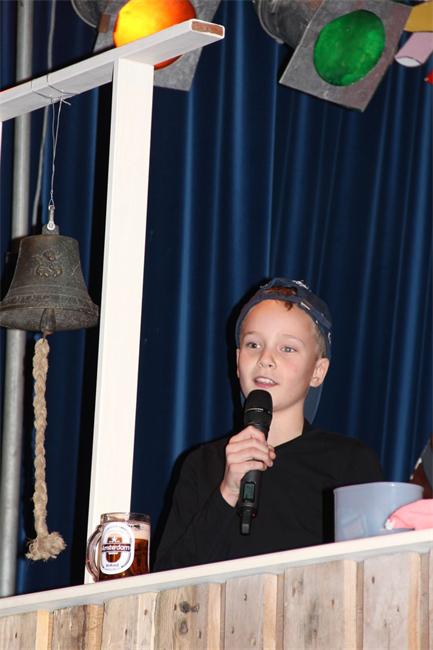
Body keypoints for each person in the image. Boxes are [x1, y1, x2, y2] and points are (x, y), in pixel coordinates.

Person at [153, 278, 383, 571]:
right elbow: (167, 580)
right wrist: (227, 492)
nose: (266, 359)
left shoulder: (349, 463)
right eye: (253, 344)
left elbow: (372, 572)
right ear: (238, 361)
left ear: (318, 371)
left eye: (287, 348)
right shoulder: (201, 465)